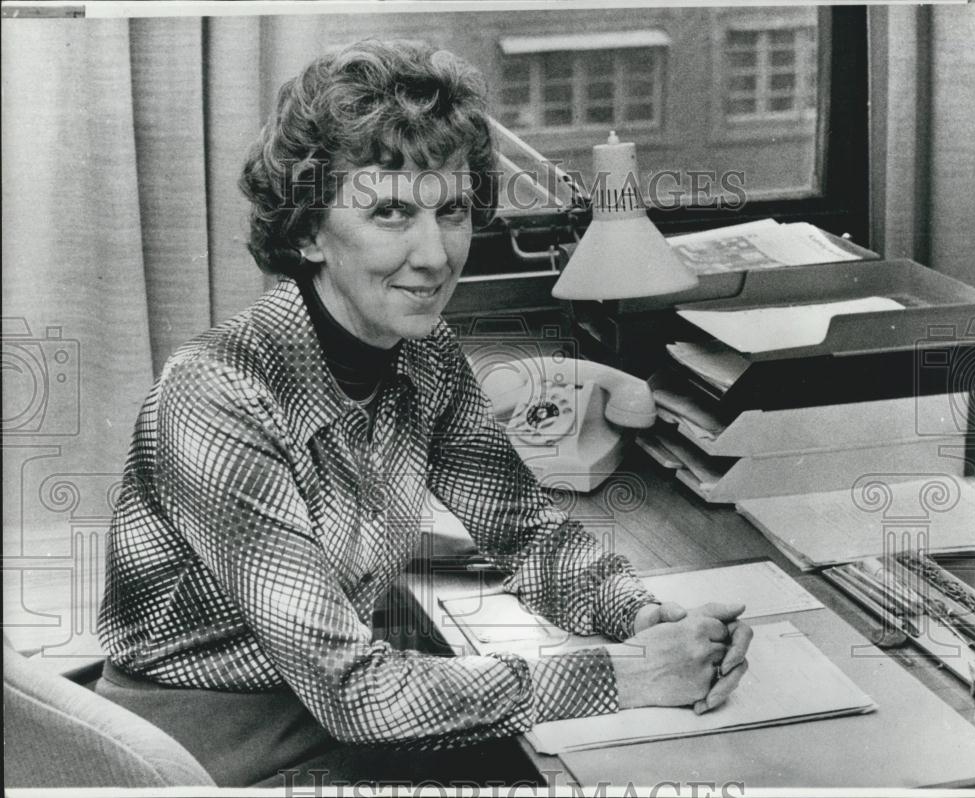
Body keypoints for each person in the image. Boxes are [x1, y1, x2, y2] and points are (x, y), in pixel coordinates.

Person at [96, 39, 752, 787]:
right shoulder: (216, 395)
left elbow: (526, 535)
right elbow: (356, 693)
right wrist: (626, 677)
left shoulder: (425, 351)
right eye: (390, 213)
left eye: (452, 211)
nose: (435, 254)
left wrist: (639, 619)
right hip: (209, 757)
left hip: (326, 711)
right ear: (309, 231)